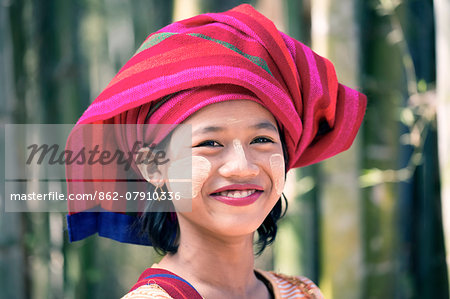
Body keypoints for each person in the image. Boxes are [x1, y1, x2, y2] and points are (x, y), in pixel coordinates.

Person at [65, 4, 366, 298]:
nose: (242, 167)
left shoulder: (303, 292)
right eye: (209, 144)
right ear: (154, 166)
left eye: (261, 140)